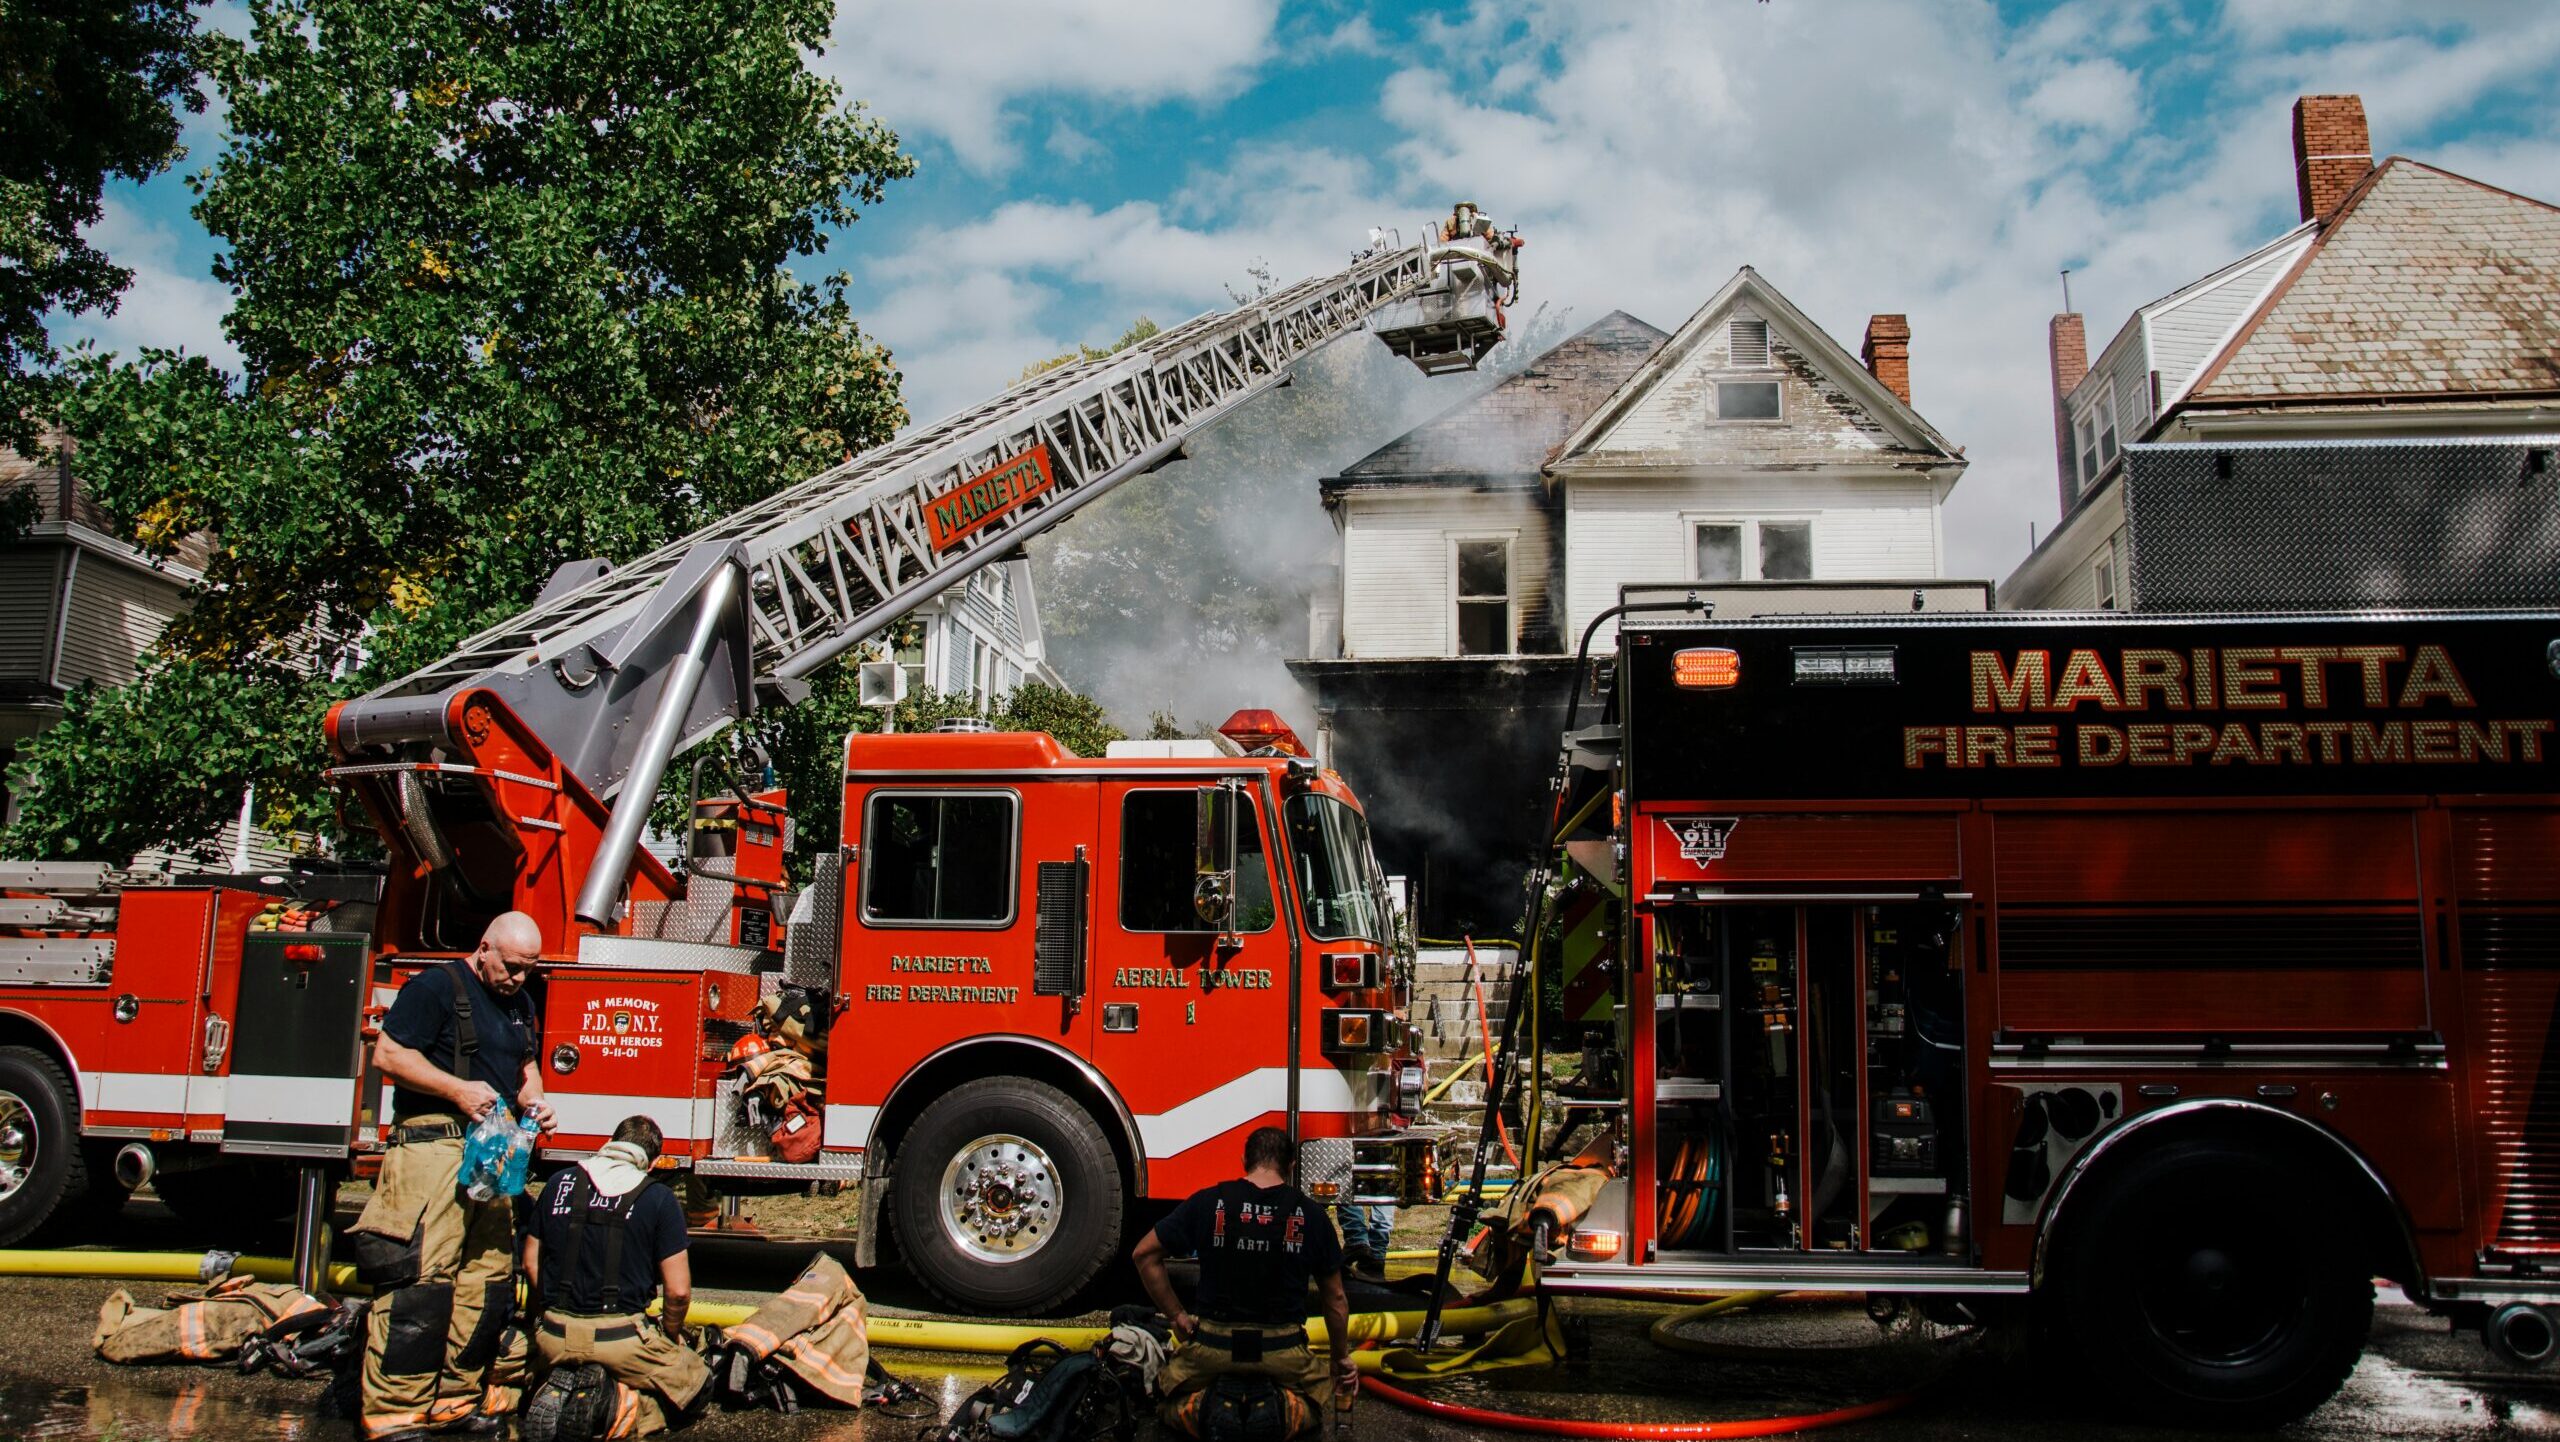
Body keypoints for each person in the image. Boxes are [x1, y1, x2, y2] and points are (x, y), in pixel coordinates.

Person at [352, 911, 555, 1440]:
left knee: (486, 1280)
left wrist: (534, 1099)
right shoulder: (435, 988)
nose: (516, 979)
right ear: (484, 947)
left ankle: (454, 1401)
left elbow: (525, 1067)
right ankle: (395, 1412)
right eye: (510, 967)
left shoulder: (521, 1003)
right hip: (433, 1148)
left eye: (527, 971)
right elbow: (389, 1055)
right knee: (421, 1280)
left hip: (493, 1155)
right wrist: (456, 1089)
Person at [1134, 1126, 1356, 1439]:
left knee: (1163, 1395)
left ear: (1243, 1160)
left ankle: (1205, 1408)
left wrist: (1177, 1316)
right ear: (1291, 1167)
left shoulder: (1207, 1202)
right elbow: (1335, 1299)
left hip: (1213, 1347)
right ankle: (1283, 1410)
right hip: (1284, 1352)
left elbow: (1144, 1255)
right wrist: (1338, 1359)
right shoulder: (1313, 1216)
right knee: (1318, 1400)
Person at [520, 1115, 709, 1440]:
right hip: (620, 1341)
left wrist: (540, 1318)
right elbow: (678, 1293)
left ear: (610, 1143)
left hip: (553, 1335)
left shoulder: (558, 1183)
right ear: (650, 1163)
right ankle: (614, 1408)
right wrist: (671, 1335)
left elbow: (530, 1264)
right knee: (698, 1386)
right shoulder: (659, 1199)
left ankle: (555, 1388)